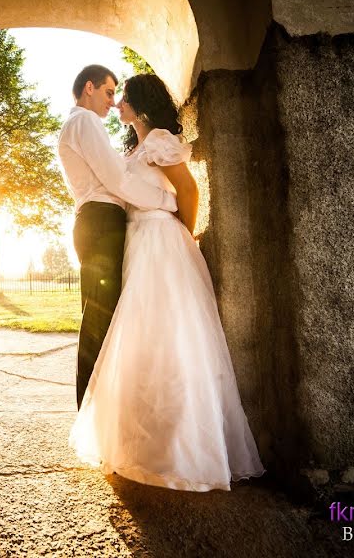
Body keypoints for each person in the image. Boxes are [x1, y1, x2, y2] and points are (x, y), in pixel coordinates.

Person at [68, 73, 265, 491]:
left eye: (122, 98)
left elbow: (188, 191)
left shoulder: (159, 140)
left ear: (140, 104)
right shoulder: (134, 149)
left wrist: (184, 234)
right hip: (135, 241)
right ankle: (140, 440)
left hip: (160, 239)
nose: (116, 103)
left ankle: (182, 446)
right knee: (140, 338)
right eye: (111, 95)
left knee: (172, 335)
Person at [57, 65, 178, 409]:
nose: (112, 103)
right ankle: (92, 412)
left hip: (95, 221)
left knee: (101, 317)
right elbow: (117, 180)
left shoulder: (79, 124)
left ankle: (98, 409)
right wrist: (167, 201)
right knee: (99, 320)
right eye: (109, 93)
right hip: (100, 222)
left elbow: (118, 172)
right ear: (89, 88)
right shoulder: (84, 121)